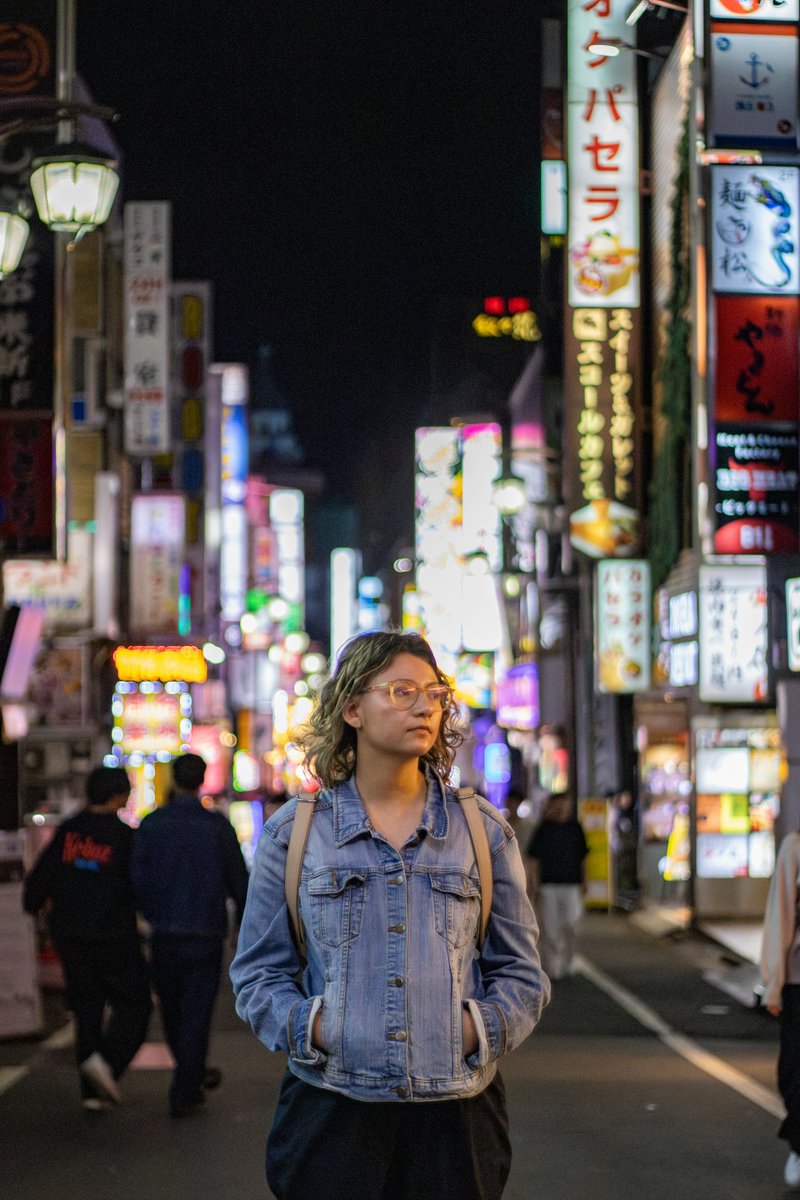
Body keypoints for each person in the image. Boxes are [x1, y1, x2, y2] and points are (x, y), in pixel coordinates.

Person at [231, 630, 549, 1200]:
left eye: (434, 693)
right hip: (331, 1108)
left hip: (458, 1115)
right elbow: (258, 975)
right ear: (352, 707)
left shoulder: (480, 831)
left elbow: (523, 974)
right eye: (402, 691)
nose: (425, 705)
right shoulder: (298, 834)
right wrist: (320, 1029)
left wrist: (472, 1032)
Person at [22, 766, 151, 1111]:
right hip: (114, 936)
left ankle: (92, 1092)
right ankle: (107, 1064)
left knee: (87, 1009)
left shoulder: (68, 832)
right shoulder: (125, 837)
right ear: (117, 796)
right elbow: (139, 886)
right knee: (136, 1004)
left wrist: (35, 906)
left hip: (71, 937)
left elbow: (39, 881)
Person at [132, 752, 249, 1118]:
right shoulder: (217, 827)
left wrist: (148, 913)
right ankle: (187, 1082)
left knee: (170, 1007)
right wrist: (240, 929)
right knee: (197, 1010)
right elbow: (240, 884)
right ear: (202, 780)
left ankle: (189, 1073)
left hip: (164, 931)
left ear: (173, 779)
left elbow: (136, 878)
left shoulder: (152, 824)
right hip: (205, 931)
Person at [760, 829, 800, 1189]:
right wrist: (774, 981)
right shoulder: (796, 845)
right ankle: (799, 1145)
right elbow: (781, 915)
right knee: (794, 1070)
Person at [527, 793, 588, 981]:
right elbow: (533, 859)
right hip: (548, 885)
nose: (562, 808)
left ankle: (569, 962)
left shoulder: (575, 828)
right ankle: (552, 967)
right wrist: (534, 885)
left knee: (572, 924)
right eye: (558, 804)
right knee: (551, 928)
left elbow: (583, 856)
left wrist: (585, 880)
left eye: (565, 804)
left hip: (571, 884)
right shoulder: (543, 829)